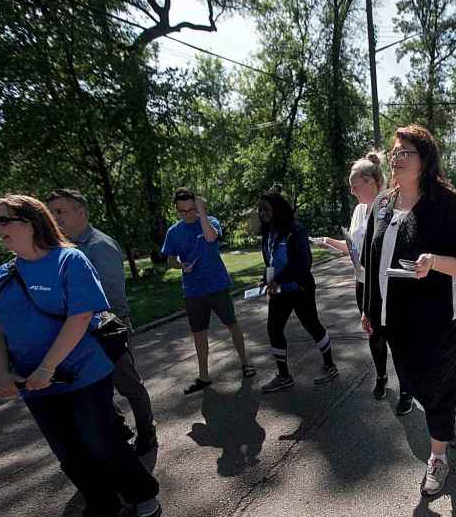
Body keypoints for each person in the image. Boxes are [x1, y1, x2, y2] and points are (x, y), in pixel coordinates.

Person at [0, 193, 160, 517]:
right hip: (34, 384)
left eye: (5, 220)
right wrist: (1, 372)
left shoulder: (69, 260)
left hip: (83, 373)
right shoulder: (2, 275)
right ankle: (100, 506)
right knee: (67, 449)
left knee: (99, 437)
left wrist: (48, 366)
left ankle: (141, 493)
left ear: (31, 222)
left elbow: (81, 316)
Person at [361, 124, 456, 497]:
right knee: (415, 385)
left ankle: (438, 457)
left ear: (425, 159)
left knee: (437, 386)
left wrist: (435, 262)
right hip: (396, 317)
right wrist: (370, 307)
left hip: (443, 318)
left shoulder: (444, 205)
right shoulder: (383, 205)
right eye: (394, 152)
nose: (397, 159)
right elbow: (372, 262)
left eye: (406, 153)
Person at [46, 189, 158, 455]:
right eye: (51, 213)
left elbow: (111, 299)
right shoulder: (63, 249)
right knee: (95, 390)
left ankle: (147, 432)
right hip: (80, 330)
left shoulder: (99, 246)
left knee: (128, 385)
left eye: (60, 212)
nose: (54, 218)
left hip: (108, 326)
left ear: (81, 212)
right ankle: (120, 430)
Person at [313, 153, 408, 408]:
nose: (352, 192)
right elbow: (353, 247)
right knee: (373, 333)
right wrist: (328, 241)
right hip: (362, 282)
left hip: (388, 283)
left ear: (370, 182)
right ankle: (381, 376)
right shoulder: (358, 210)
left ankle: (407, 389)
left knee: (396, 336)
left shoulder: (392, 204)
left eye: (355, 186)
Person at [161, 188, 256, 394]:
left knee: (232, 325)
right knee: (198, 334)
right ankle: (204, 376)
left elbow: (211, 238)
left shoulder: (210, 221)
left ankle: (245, 363)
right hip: (193, 291)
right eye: (182, 212)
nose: (187, 215)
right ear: (176, 211)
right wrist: (181, 265)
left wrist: (201, 213)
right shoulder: (173, 232)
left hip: (217, 285)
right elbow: (169, 259)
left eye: (191, 210)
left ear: (198, 206)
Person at [258, 188, 338, 393]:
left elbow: (303, 263)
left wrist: (278, 279)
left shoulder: (296, 231)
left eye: (266, 210)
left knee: (312, 325)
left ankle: (330, 366)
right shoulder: (268, 234)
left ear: (278, 210)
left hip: (300, 288)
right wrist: (266, 280)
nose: (262, 214)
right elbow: (270, 262)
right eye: (261, 210)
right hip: (279, 291)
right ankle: (283, 376)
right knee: (273, 329)